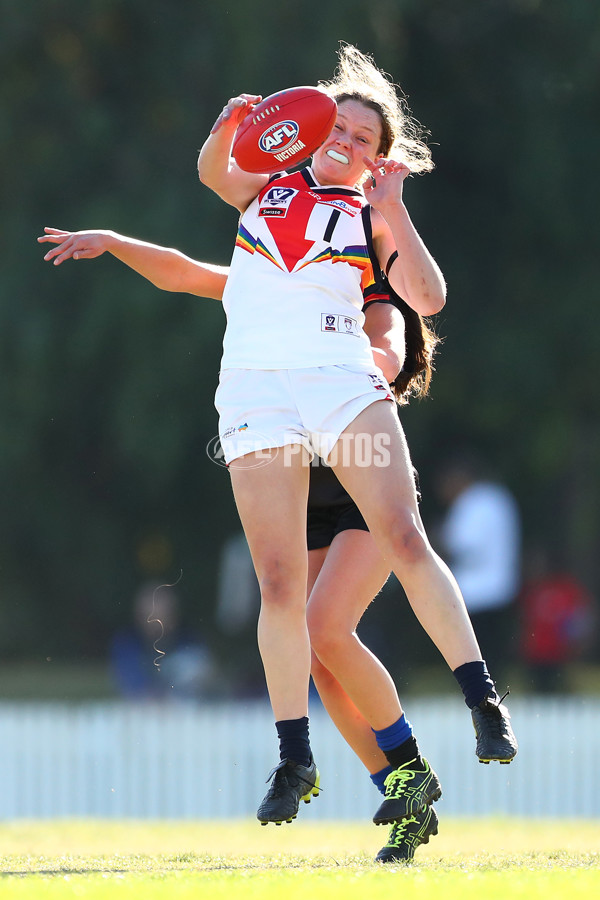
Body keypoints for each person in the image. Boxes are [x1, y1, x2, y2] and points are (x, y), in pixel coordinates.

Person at [196, 42, 517, 830]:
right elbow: (214, 173)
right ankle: (299, 758)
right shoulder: (269, 188)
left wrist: (395, 204)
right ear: (311, 129)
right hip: (258, 393)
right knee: (285, 595)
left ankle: (482, 700)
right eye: (336, 129)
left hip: (337, 391)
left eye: (364, 139)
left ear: (381, 157)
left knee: (404, 541)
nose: (345, 143)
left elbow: (426, 300)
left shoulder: (368, 213)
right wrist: (232, 122)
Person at [435, 449, 522, 682]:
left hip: (477, 593)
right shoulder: (497, 497)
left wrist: (434, 543)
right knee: (495, 660)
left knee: (474, 661)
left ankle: (482, 705)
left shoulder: (472, 503)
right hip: (501, 589)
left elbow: (464, 548)